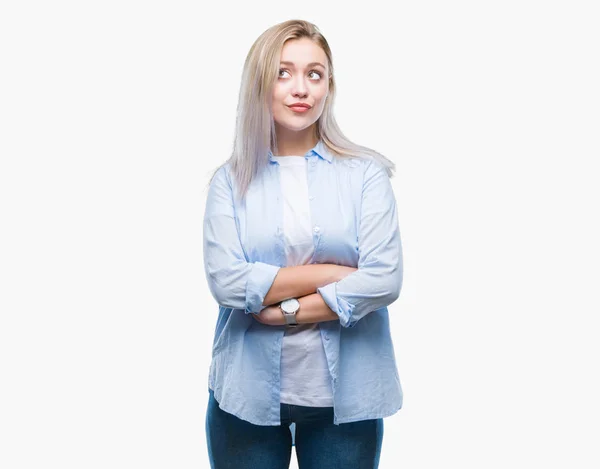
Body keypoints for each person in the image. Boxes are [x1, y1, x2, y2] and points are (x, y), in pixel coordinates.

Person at [202, 19, 404, 469]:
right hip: (245, 399)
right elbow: (228, 283)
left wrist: (282, 311)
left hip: (345, 404)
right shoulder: (229, 182)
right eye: (283, 72)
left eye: (315, 74)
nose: (301, 88)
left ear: (329, 86)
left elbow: (385, 280)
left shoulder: (365, 175)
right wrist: (334, 275)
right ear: (260, 83)